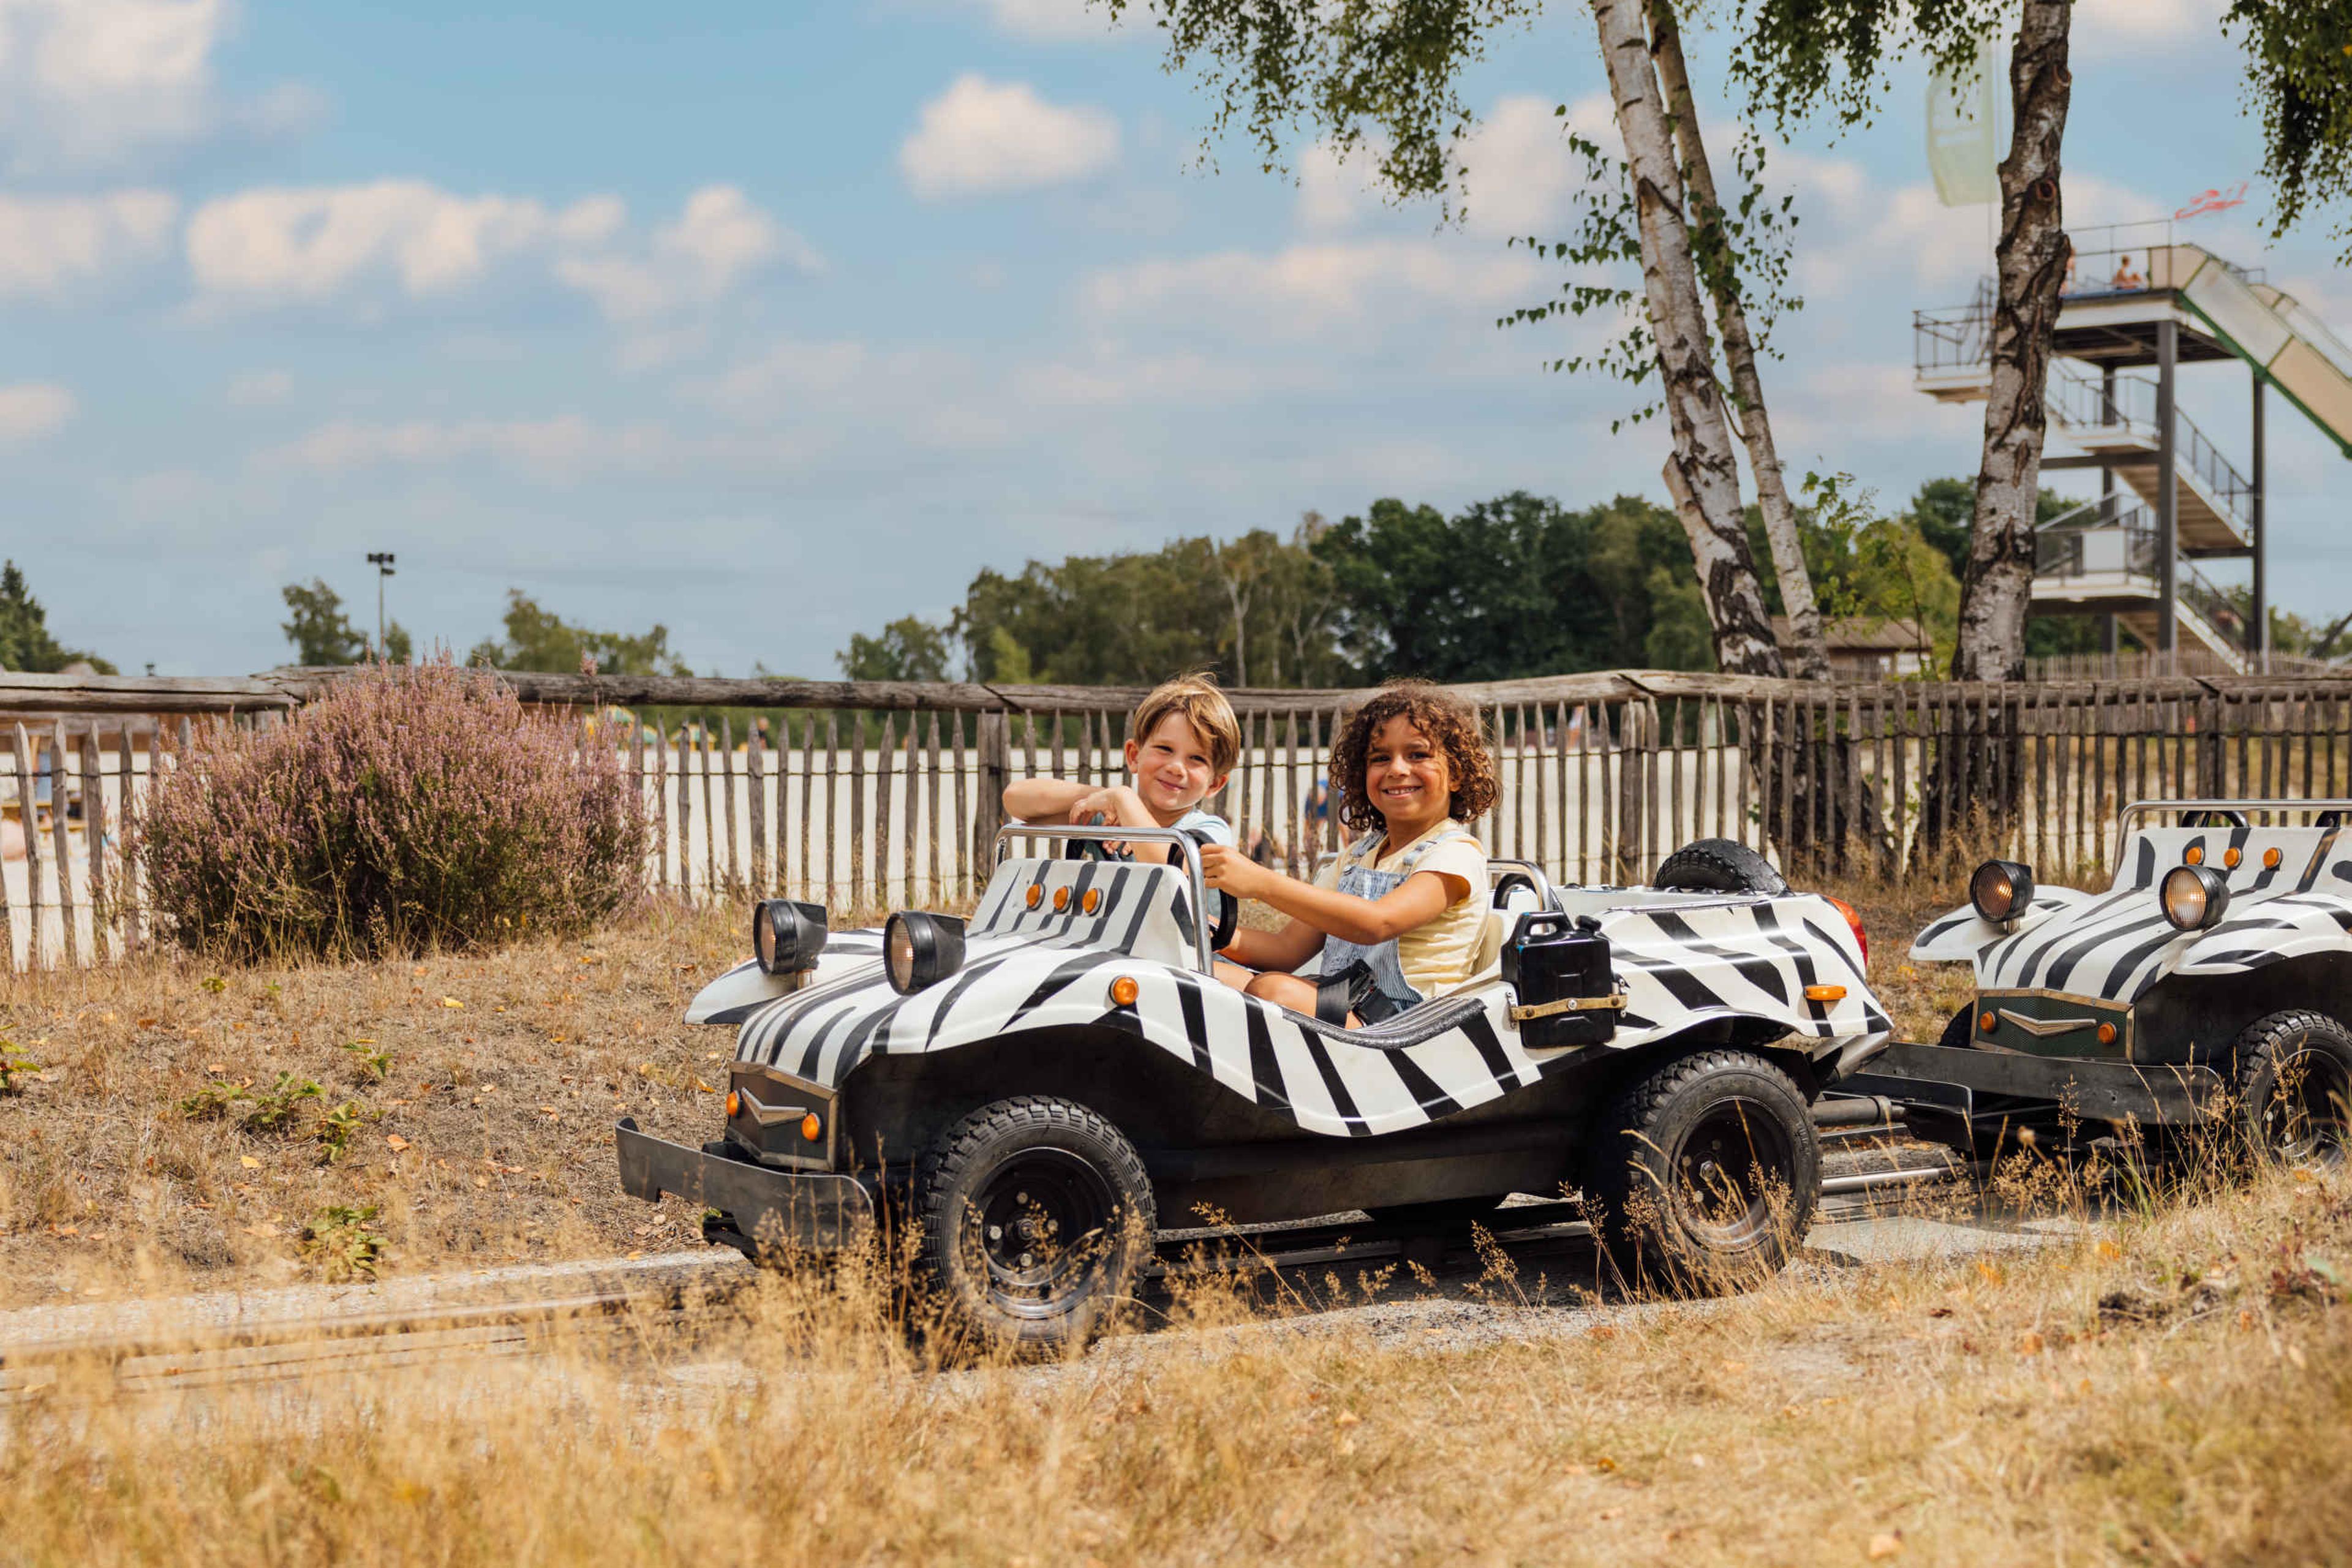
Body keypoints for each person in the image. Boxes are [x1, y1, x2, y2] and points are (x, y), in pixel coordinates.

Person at [1202, 680, 1496, 1026]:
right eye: (1380, 758)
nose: (1397, 769)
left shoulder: (1454, 854)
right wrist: (1204, 929)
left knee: (1272, 992)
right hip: (1342, 1001)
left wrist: (1261, 883)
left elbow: (1378, 923)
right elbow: (1286, 950)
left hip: (1405, 1023)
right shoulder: (1359, 855)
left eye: (1418, 754)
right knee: (1205, 977)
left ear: (1457, 774)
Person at [1001, 673, 1240, 861]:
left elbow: (1172, 867)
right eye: (1165, 750)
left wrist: (1124, 800)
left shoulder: (1209, 832)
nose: (1177, 767)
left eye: (1197, 759)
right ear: (1134, 756)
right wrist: (1106, 798)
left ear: (1215, 783)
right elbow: (1017, 799)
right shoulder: (1109, 817)